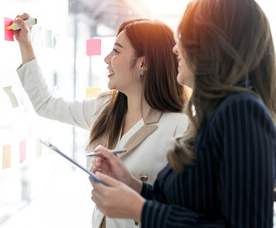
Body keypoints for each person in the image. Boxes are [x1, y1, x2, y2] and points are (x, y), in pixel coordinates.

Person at [90, 0, 276, 227]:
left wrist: (140, 209)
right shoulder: (217, 114)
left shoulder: (241, 111)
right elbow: (191, 205)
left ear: (213, 43)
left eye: (184, 37)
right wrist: (132, 185)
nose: (175, 49)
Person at [13, 14, 189, 227]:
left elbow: (181, 211)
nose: (107, 59)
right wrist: (26, 44)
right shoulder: (104, 108)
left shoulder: (180, 127)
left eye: (116, 51)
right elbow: (46, 104)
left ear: (143, 62)